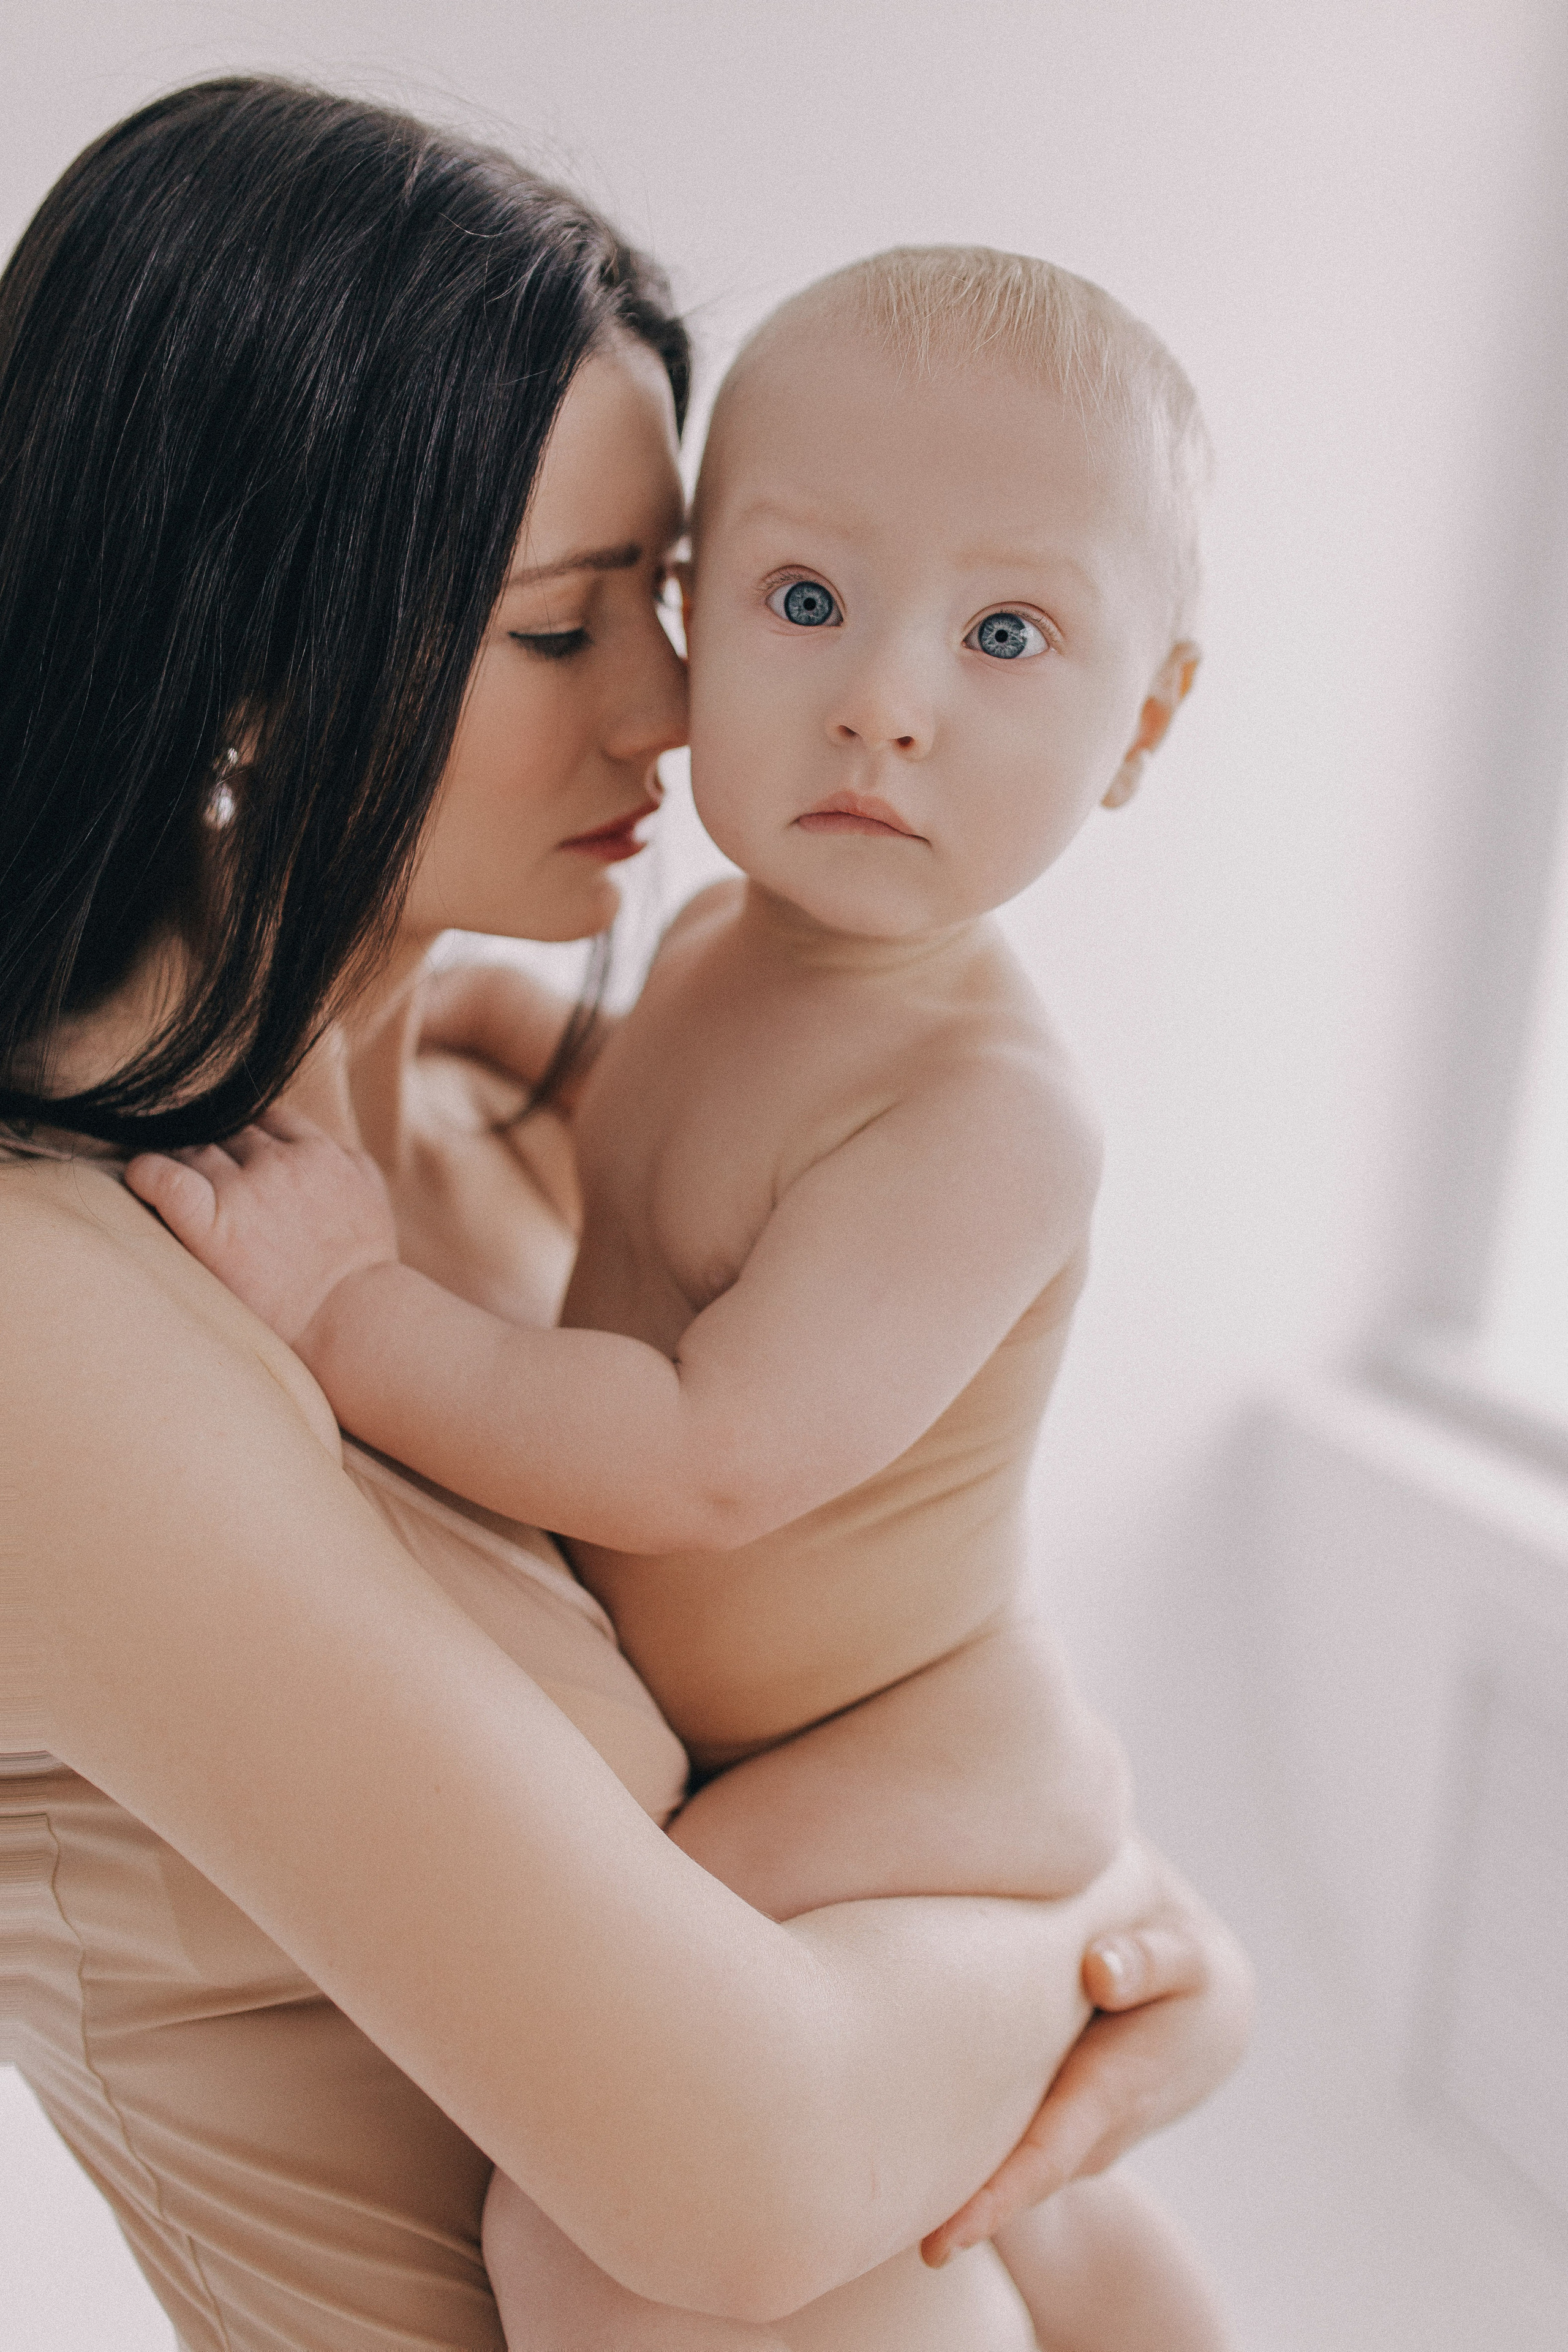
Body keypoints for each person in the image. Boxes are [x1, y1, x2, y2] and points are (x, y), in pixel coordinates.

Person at [0, 80, 1252, 2352]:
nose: (688, 711)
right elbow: (747, 2174)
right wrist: (1098, 1944)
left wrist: (1140, 1932)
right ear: (256, 667)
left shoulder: (486, 1135)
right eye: (568, 631)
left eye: (673, 600)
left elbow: (853, 1704)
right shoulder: (58, 1325)